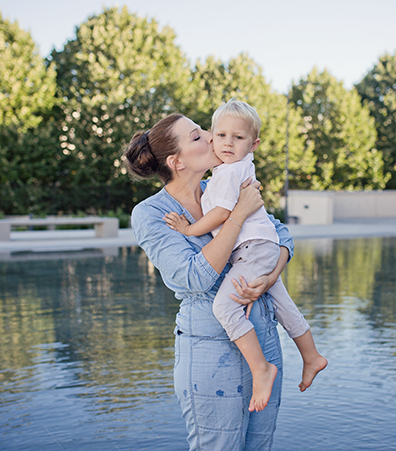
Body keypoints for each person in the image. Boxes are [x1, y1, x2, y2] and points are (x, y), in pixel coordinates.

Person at [125, 112, 291, 450]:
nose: (211, 136)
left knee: (261, 445)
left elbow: (281, 235)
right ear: (177, 161)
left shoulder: (222, 183)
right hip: (210, 351)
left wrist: (271, 275)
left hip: (265, 342)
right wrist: (239, 214)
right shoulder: (151, 214)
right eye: (198, 136)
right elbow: (194, 278)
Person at [163, 99, 326, 413]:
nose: (227, 143)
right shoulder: (235, 168)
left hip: (251, 251)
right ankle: (311, 356)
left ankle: (260, 369)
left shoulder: (226, 174)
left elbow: (224, 213)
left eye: (237, 138)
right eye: (221, 135)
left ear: (254, 144)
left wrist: (190, 229)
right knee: (283, 305)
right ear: (212, 136)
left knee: (224, 307)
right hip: (259, 249)